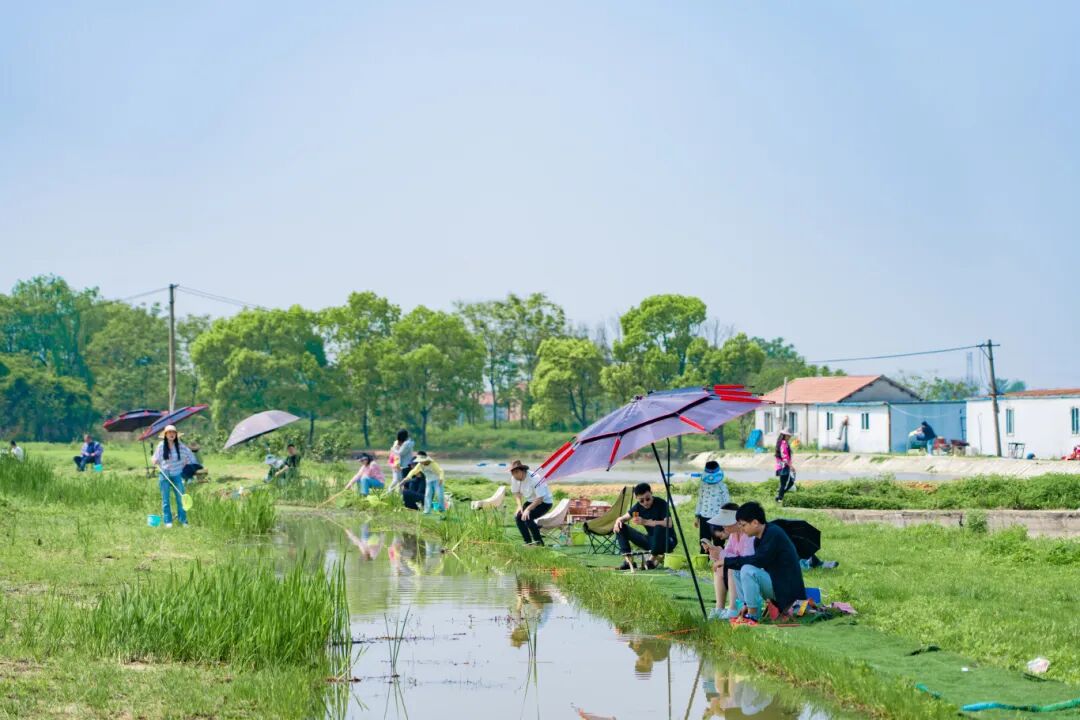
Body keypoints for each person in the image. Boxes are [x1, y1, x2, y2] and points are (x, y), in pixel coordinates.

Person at [720, 501, 807, 624]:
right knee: (738, 570)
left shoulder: (773, 533)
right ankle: (747, 608)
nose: (741, 529)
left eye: (743, 525)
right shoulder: (759, 539)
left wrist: (726, 561)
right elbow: (757, 562)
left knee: (747, 570)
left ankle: (752, 616)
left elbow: (758, 560)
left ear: (755, 523)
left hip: (787, 590)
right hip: (777, 584)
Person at [702, 503, 755, 620]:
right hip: (739, 573)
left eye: (726, 523)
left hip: (750, 574)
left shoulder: (749, 535)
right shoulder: (733, 535)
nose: (723, 526)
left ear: (737, 522)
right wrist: (714, 552)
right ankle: (719, 608)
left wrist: (721, 553)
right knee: (720, 567)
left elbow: (746, 560)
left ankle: (732, 609)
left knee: (731, 566)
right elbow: (726, 555)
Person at [612, 483, 676, 571]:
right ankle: (629, 561)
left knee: (659, 527)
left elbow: (669, 523)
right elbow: (624, 518)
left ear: (651, 493)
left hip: (667, 541)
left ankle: (651, 561)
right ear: (637, 498)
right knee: (620, 526)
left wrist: (646, 522)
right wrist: (618, 521)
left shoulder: (661, 503)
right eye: (641, 501)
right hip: (651, 541)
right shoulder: (638, 507)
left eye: (648, 499)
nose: (645, 502)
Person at [152, 425, 196, 528]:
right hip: (164, 475)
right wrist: (154, 461)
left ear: (176, 435)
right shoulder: (161, 446)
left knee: (181, 498)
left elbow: (190, 456)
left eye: (173, 432)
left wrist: (186, 463)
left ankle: (183, 521)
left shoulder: (181, 446)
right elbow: (155, 458)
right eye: (169, 432)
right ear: (165, 435)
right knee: (165, 500)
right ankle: (168, 521)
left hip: (177, 474)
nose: (171, 434)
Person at [509, 460, 554, 546]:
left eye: (516, 472)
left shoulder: (535, 478)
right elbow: (516, 493)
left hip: (544, 502)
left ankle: (539, 543)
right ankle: (528, 542)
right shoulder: (514, 478)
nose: (514, 475)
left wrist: (528, 509)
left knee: (527, 517)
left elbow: (540, 498)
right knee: (518, 517)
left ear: (523, 470)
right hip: (531, 501)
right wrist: (519, 506)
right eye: (512, 473)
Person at [694, 460, 730, 553]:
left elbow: (727, 503)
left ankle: (719, 559)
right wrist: (697, 516)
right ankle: (703, 558)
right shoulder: (703, 485)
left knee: (719, 541)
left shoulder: (722, 486)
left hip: (718, 518)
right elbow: (700, 501)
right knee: (704, 541)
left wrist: (727, 519)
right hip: (704, 517)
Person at [774, 430, 796, 504]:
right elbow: (784, 457)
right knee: (788, 482)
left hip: (783, 466)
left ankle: (779, 496)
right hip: (783, 466)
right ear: (784, 435)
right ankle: (779, 498)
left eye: (790, 435)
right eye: (788, 435)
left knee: (786, 483)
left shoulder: (784, 443)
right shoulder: (783, 444)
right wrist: (791, 466)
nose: (789, 437)